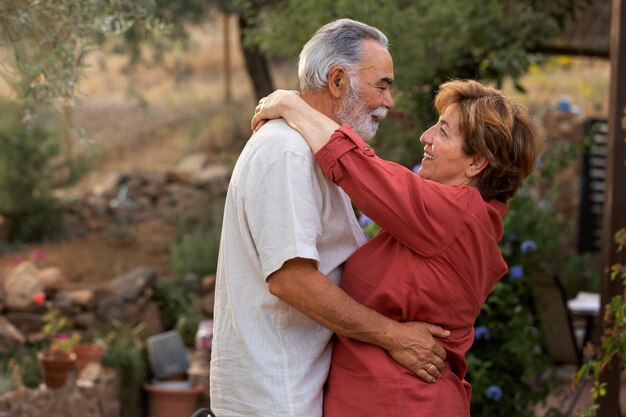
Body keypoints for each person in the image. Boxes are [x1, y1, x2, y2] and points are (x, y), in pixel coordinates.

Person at [251, 79, 544, 416]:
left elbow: (359, 169)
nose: (426, 136)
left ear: (476, 163)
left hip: (405, 402)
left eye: (444, 132)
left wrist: (291, 105)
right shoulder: (450, 220)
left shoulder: (459, 215)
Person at [210, 19, 449, 417]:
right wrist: (395, 337)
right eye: (383, 85)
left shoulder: (314, 153)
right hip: (276, 399)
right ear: (338, 81)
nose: (389, 102)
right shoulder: (286, 153)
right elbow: (292, 280)